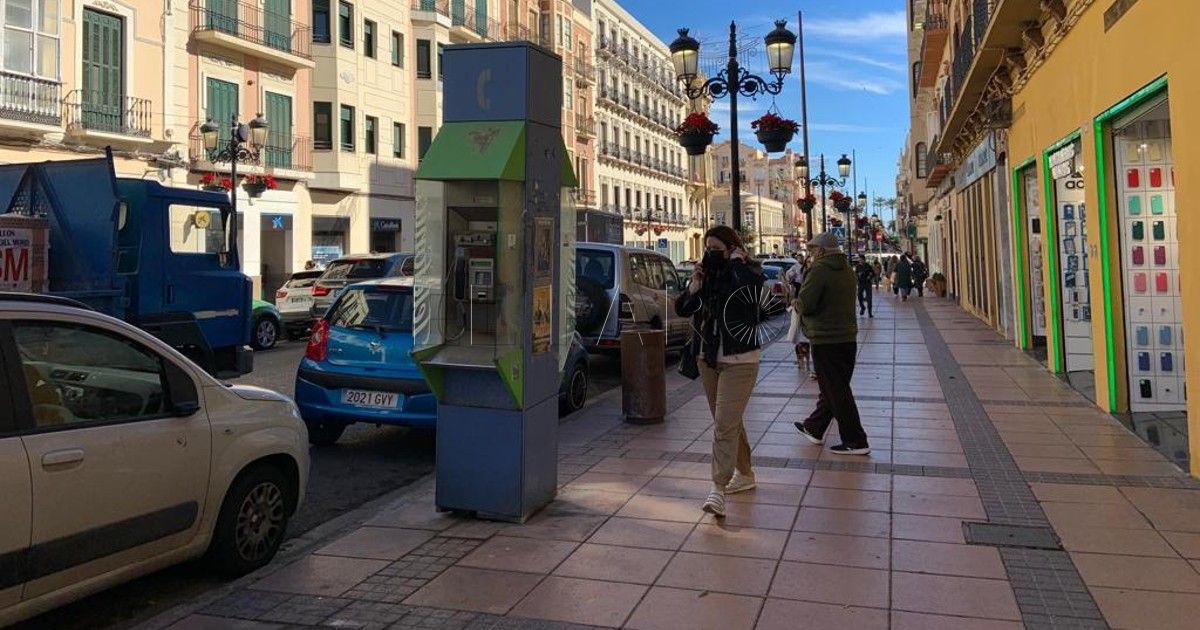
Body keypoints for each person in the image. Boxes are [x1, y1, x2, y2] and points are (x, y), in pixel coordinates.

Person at [675, 225, 766, 517]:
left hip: (740, 359)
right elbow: (682, 309)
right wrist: (694, 286)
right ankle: (746, 472)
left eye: (717, 249)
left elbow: (748, 297)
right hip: (708, 359)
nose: (711, 254)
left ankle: (718, 488)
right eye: (708, 249)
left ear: (732, 248)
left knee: (724, 425)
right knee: (727, 421)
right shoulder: (707, 276)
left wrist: (738, 264)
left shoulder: (749, 271)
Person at [792, 232, 871, 455]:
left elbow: (806, 303)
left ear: (822, 250)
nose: (811, 254)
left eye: (813, 249)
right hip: (847, 336)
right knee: (833, 387)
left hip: (825, 338)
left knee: (837, 390)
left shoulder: (819, 269)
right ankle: (814, 427)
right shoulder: (846, 269)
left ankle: (856, 440)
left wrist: (795, 301)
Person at [784, 257, 811, 370]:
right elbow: (790, 295)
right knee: (799, 335)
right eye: (808, 262)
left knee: (806, 338)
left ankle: (807, 361)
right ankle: (800, 359)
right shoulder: (797, 277)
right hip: (798, 309)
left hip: (809, 310)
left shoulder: (815, 276)